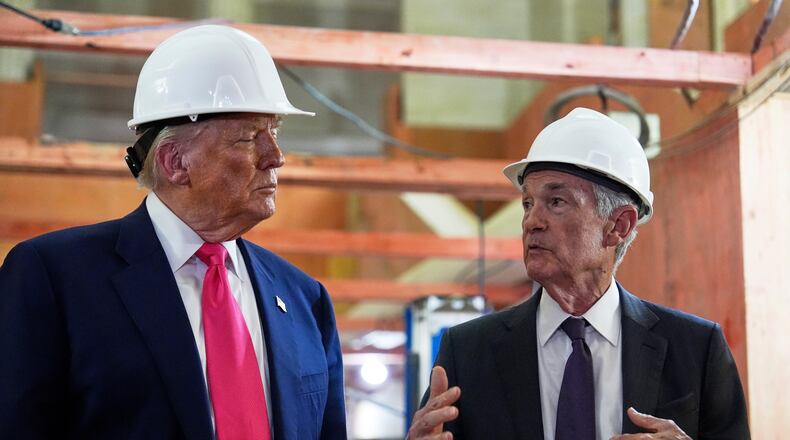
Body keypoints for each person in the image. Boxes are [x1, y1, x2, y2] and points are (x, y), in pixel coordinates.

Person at [0, 25, 347, 439]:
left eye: (274, 132)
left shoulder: (305, 300)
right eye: (249, 137)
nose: (277, 157)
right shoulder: (53, 278)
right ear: (175, 162)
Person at [407, 108, 749, 440]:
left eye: (556, 202)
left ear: (618, 225)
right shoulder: (468, 352)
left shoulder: (696, 350)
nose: (531, 221)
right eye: (528, 203)